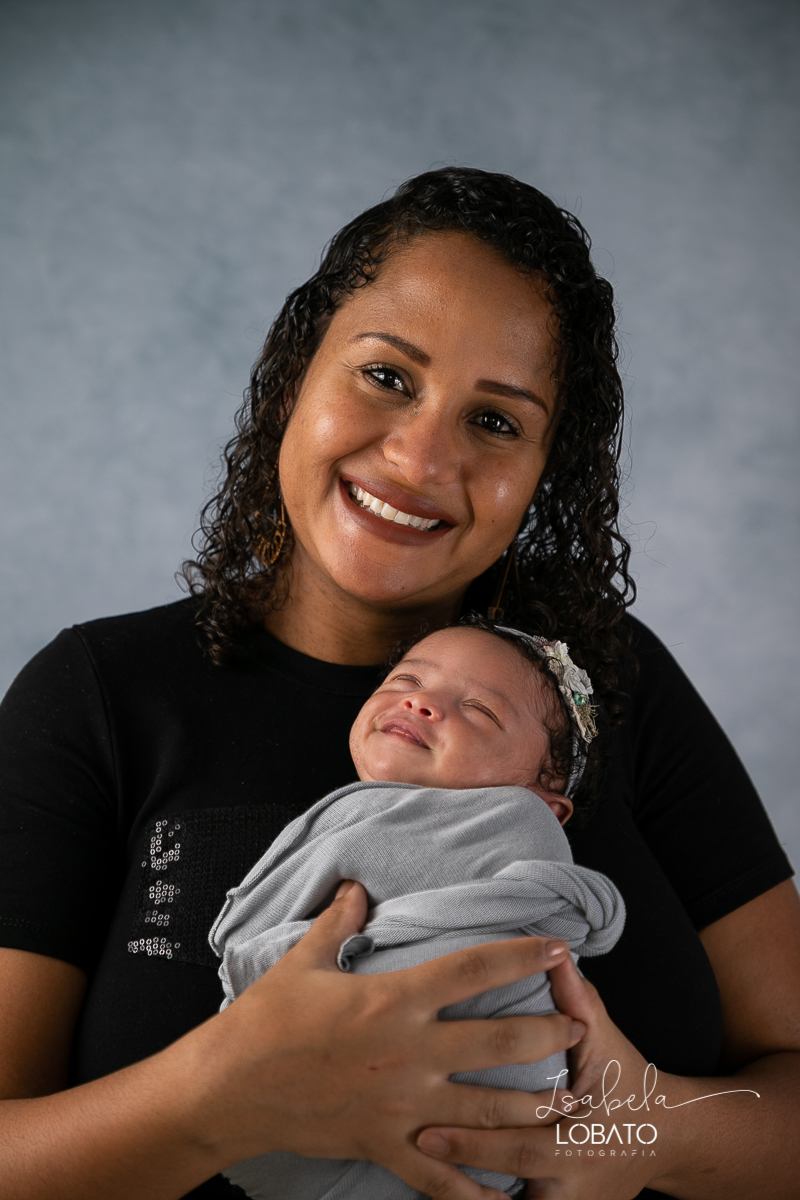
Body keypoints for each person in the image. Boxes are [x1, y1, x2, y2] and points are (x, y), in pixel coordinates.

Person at [0, 166, 798, 1200]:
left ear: (544, 470)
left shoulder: (608, 684)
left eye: (496, 421)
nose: (420, 458)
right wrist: (215, 1098)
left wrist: (640, 1133)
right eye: (386, 376)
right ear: (297, 368)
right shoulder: (101, 698)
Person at [211, 622, 626, 1198]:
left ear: (543, 799)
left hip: (479, 1096)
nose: (420, 701)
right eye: (407, 678)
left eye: (480, 710)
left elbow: (249, 942)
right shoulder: (370, 812)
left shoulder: (512, 824)